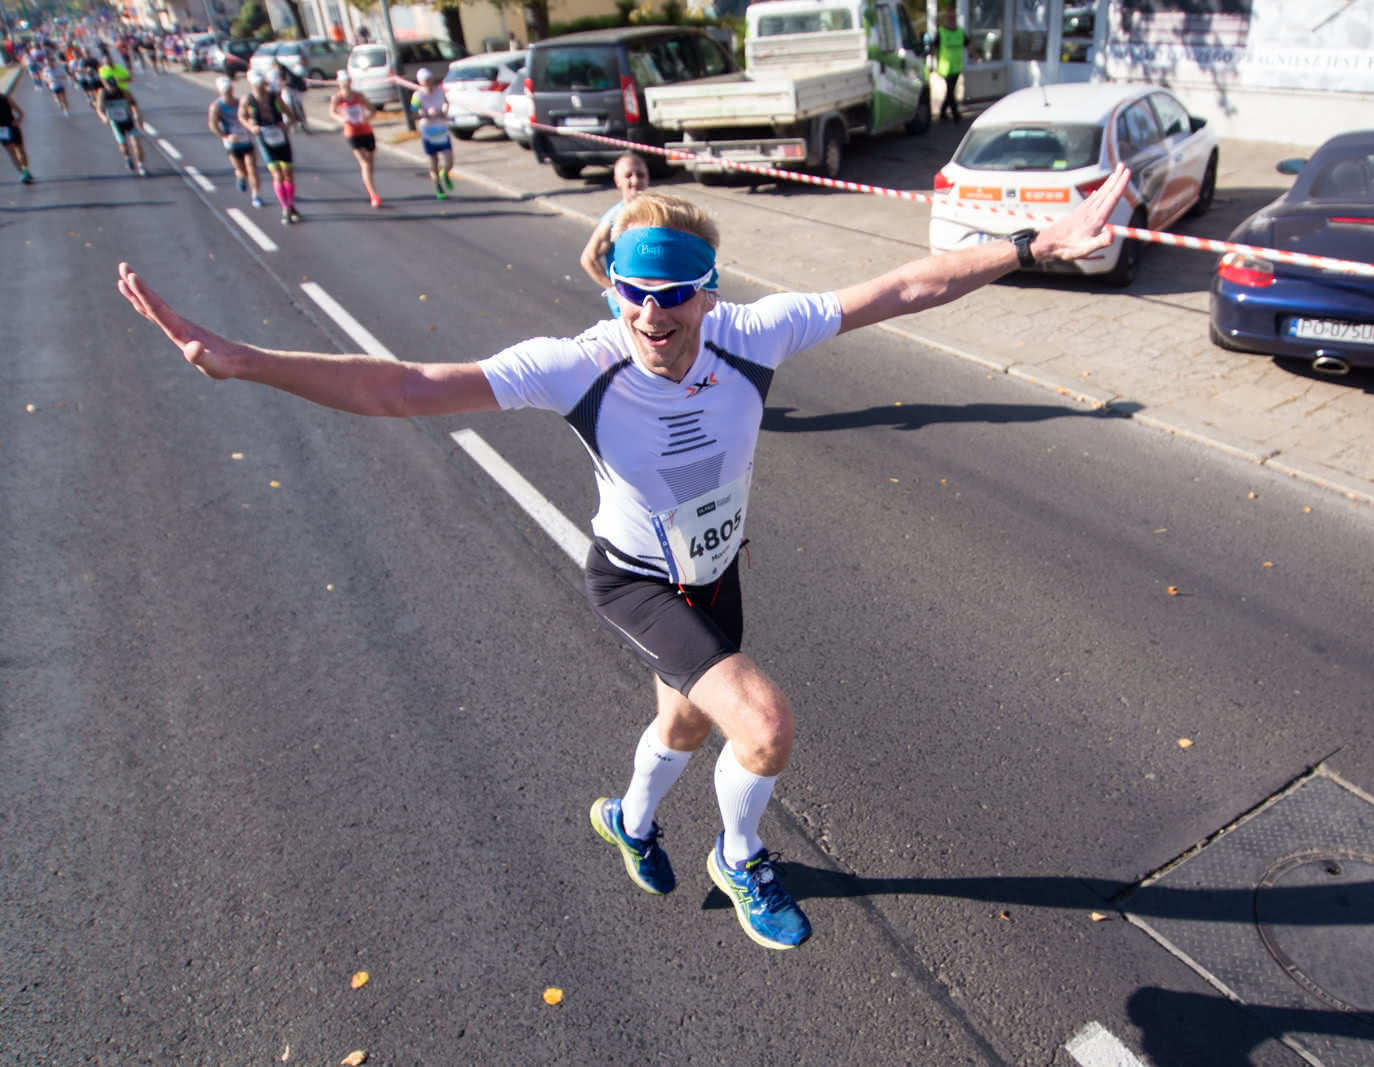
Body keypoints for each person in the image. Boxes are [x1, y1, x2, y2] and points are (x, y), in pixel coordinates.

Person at [113, 166, 1130, 951]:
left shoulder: (755, 334)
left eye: (675, 293)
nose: (652, 314)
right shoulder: (576, 365)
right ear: (611, 291)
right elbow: (407, 385)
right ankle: (740, 856)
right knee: (763, 725)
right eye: (631, 292)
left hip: (716, 570)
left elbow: (905, 283)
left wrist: (1028, 243)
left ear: (708, 292)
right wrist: (243, 361)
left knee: (683, 720)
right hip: (635, 578)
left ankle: (626, 817)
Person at [579, 152, 651, 313]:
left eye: (640, 175)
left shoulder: (653, 211)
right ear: (617, 181)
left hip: (649, 298)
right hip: (628, 306)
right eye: (628, 176)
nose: (635, 180)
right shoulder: (613, 219)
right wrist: (614, 290)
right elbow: (588, 259)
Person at [240, 69, 301, 224]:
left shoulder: (274, 97)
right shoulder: (248, 100)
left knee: (288, 173)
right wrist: (251, 126)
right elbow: (242, 116)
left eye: (261, 85)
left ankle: (290, 204)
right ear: (251, 85)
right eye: (257, 85)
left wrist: (287, 124)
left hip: (280, 136)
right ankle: (285, 208)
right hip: (264, 138)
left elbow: (290, 113)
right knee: (277, 175)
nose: (260, 88)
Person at [208, 76, 263, 208]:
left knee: (252, 167)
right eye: (226, 91)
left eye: (230, 90)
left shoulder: (241, 103)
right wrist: (225, 136)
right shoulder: (216, 107)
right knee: (241, 170)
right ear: (220, 91)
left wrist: (251, 123)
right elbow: (213, 125)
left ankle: (256, 195)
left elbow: (250, 116)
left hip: (246, 139)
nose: (229, 92)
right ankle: (241, 177)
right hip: (232, 143)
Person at [330, 70, 381, 208]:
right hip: (352, 133)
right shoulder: (338, 98)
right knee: (364, 162)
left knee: (370, 163)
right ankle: (373, 195)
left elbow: (373, 110)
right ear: (339, 83)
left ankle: (369, 183)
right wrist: (342, 119)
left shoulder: (359, 96)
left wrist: (367, 118)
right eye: (343, 82)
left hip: (366, 130)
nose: (346, 85)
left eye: (348, 82)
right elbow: (332, 112)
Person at [410, 67, 454, 199]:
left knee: (449, 160)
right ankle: (439, 187)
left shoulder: (439, 91)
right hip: (428, 131)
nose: (428, 83)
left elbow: (446, 103)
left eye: (430, 80)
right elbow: (413, 113)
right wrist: (425, 114)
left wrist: (444, 112)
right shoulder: (417, 96)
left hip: (441, 129)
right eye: (425, 81)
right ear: (421, 83)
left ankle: (444, 172)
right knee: (433, 161)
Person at [96, 74, 147, 175]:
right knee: (123, 144)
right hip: (115, 122)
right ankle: (127, 156)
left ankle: (140, 165)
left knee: (136, 142)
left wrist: (137, 115)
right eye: (110, 87)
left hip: (128, 119)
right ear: (105, 85)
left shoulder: (124, 92)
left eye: (114, 87)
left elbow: (133, 103)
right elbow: (99, 108)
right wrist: (103, 117)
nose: (113, 90)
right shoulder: (102, 93)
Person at [926, 7, 969, 122]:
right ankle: (956, 115)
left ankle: (943, 112)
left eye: (953, 17)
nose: (951, 19)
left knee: (950, 91)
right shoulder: (941, 33)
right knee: (951, 91)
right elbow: (933, 50)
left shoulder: (960, 32)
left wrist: (976, 56)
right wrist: (930, 65)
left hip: (956, 68)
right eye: (949, 17)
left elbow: (968, 44)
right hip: (945, 69)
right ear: (946, 19)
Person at [0, 89, 33, 184]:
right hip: (3, 130)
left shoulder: (5, 98)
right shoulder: (4, 97)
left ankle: (25, 170)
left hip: (12, 127)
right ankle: (23, 173)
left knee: (20, 150)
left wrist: (18, 121)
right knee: (13, 153)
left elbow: (20, 112)